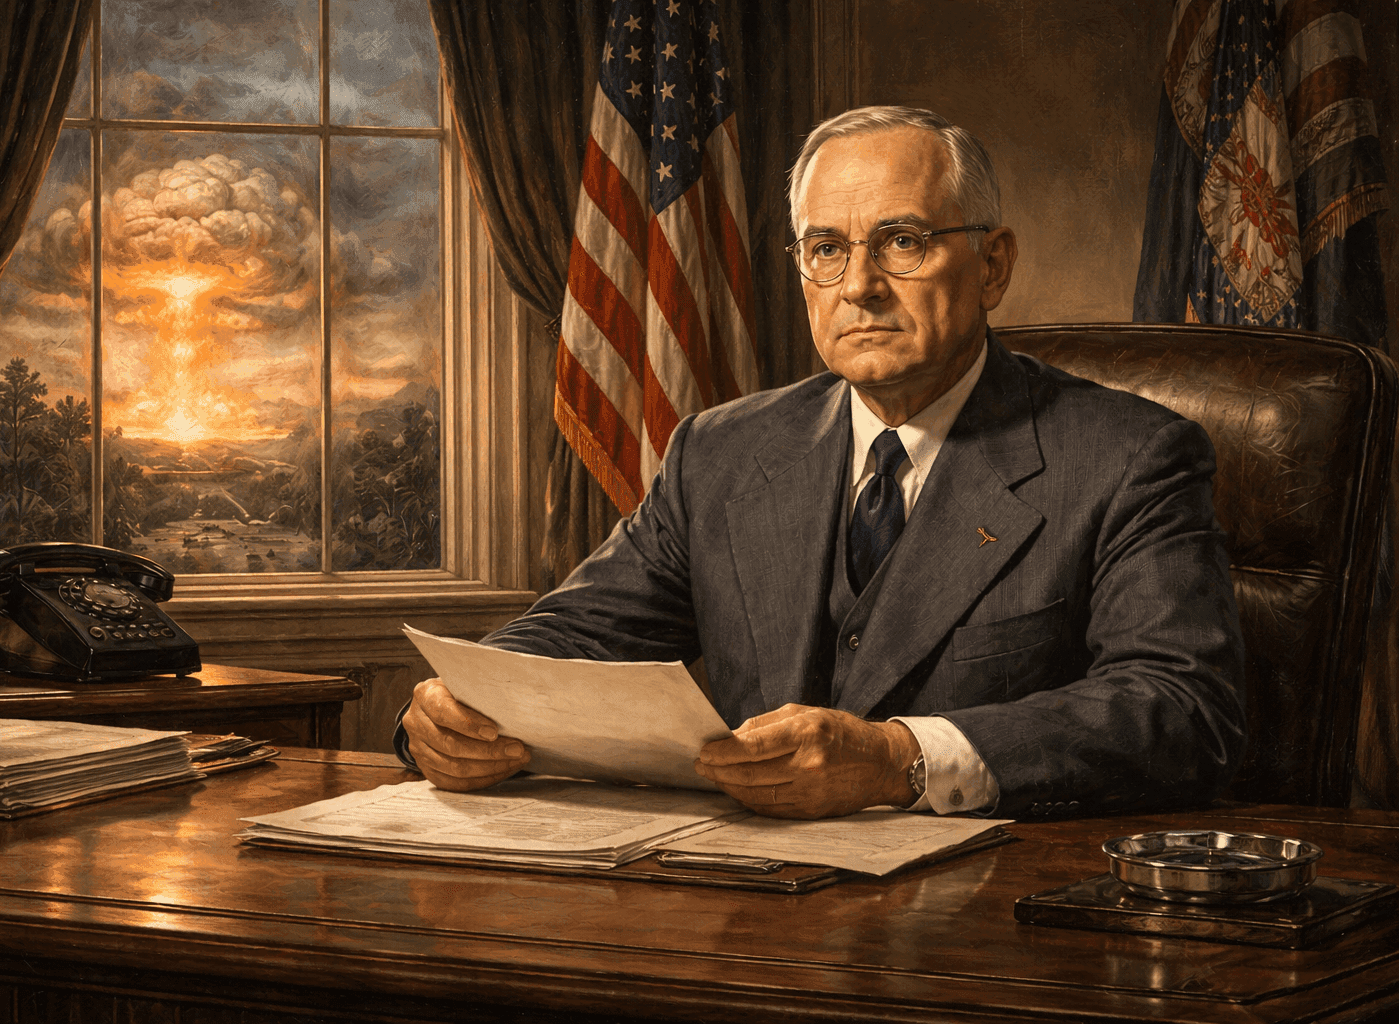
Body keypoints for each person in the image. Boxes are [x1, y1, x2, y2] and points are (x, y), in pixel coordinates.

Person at [396, 106, 1247, 820]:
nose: (860, 286)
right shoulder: (720, 451)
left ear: (993, 266)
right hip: (744, 904)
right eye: (826, 249)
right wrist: (462, 704)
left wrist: (897, 758)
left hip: (993, 921)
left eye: (902, 241)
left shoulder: (1130, 458)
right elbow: (575, 634)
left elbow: (1181, 708)